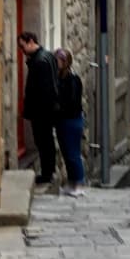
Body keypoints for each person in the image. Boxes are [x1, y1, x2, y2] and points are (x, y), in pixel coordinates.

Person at [18, 31, 58, 187]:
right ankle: (49, 171)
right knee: (46, 141)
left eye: (22, 46)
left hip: (42, 112)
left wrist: (35, 111)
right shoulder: (47, 56)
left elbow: (42, 90)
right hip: (47, 110)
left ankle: (47, 173)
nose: (21, 51)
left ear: (30, 42)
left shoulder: (40, 61)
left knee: (43, 141)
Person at [55, 47, 85, 197]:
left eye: (59, 60)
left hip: (72, 120)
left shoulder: (73, 80)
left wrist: (59, 108)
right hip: (62, 120)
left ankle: (79, 183)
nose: (57, 62)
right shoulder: (58, 78)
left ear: (65, 62)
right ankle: (71, 182)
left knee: (73, 153)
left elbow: (72, 102)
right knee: (67, 153)